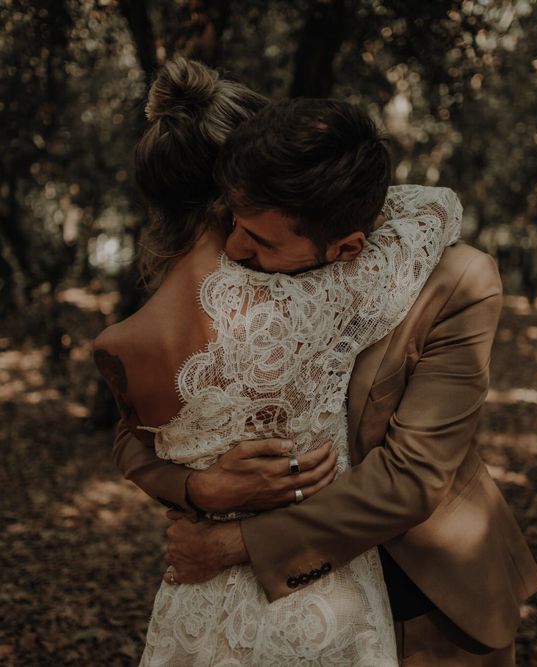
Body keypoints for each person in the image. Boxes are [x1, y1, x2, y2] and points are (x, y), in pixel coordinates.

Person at [94, 58, 466, 665]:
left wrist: (205, 502)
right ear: (233, 194)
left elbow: (133, 435)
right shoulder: (348, 287)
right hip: (325, 610)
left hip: (213, 602)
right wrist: (200, 489)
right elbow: (435, 206)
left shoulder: (127, 342)